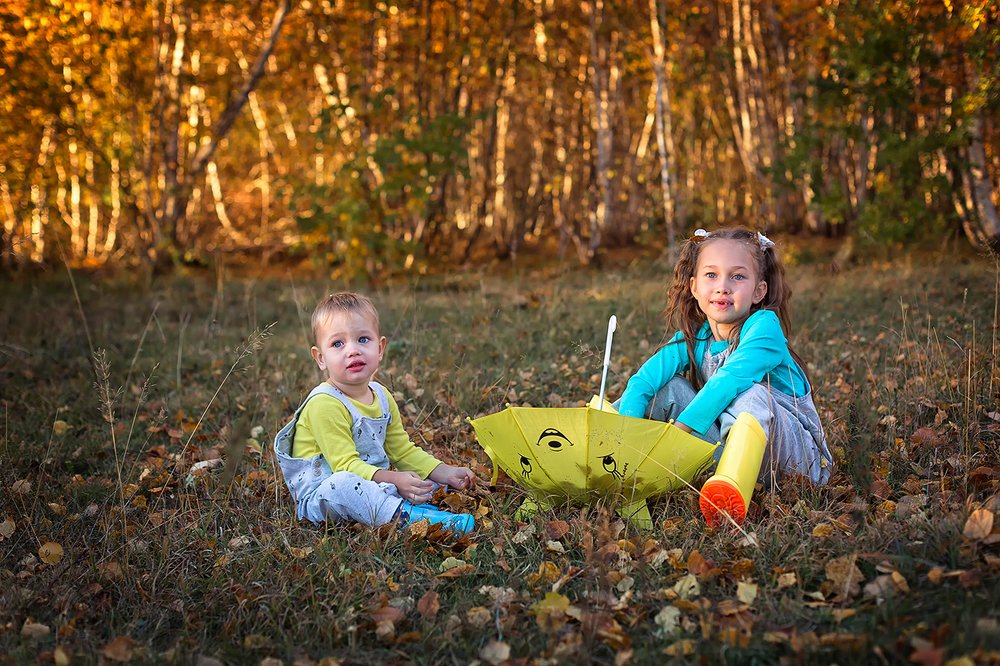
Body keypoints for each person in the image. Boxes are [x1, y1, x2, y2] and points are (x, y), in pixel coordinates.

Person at [617, 227, 833, 488]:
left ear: (758, 291)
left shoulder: (764, 328)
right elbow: (643, 381)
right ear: (694, 287)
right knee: (666, 388)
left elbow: (728, 381)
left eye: (737, 276)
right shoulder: (695, 337)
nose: (722, 287)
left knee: (751, 395)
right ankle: (609, 448)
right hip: (730, 454)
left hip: (794, 461)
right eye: (711, 275)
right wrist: (626, 429)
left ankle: (730, 487)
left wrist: (677, 432)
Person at [274, 292, 477, 535]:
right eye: (338, 344)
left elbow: (402, 451)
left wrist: (445, 472)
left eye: (363, 339)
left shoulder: (381, 395)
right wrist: (394, 479)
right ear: (320, 358)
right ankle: (407, 518)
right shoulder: (324, 404)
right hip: (326, 496)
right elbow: (345, 466)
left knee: (423, 480)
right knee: (344, 484)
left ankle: (409, 503)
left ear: (380, 348)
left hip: (373, 483)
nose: (353, 350)